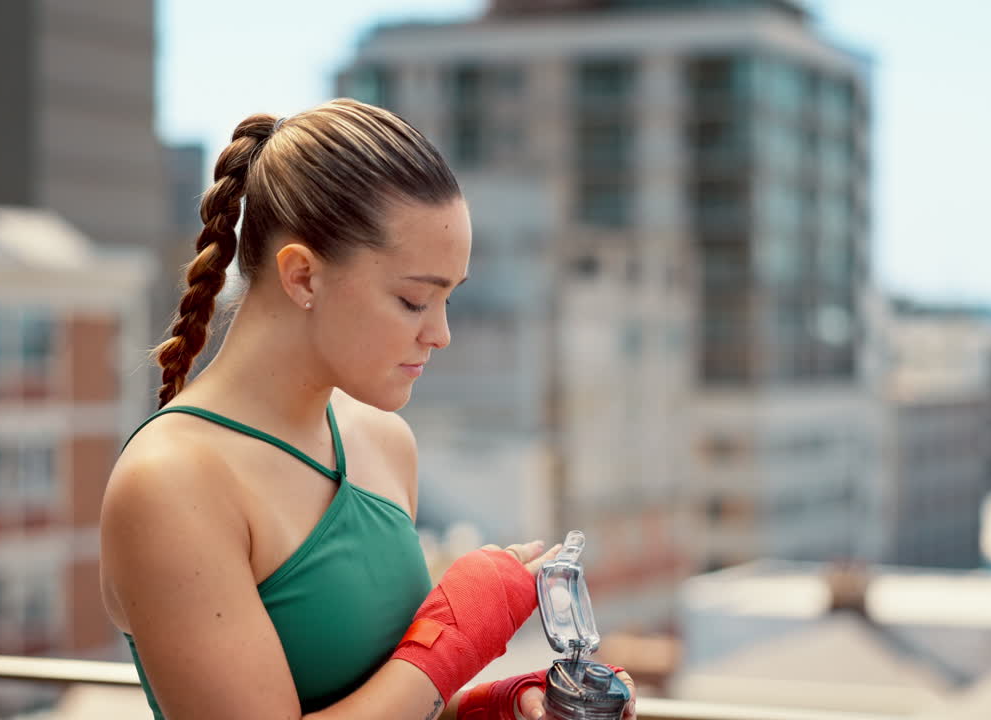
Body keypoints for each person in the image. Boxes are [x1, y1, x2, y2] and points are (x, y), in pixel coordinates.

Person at [98, 99, 636, 720]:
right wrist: (453, 641)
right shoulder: (171, 482)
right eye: (413, 300)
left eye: (448, 300)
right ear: (302, 276)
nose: (441, 334)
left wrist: (490, 709)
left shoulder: (383, 441)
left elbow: (387, 697)